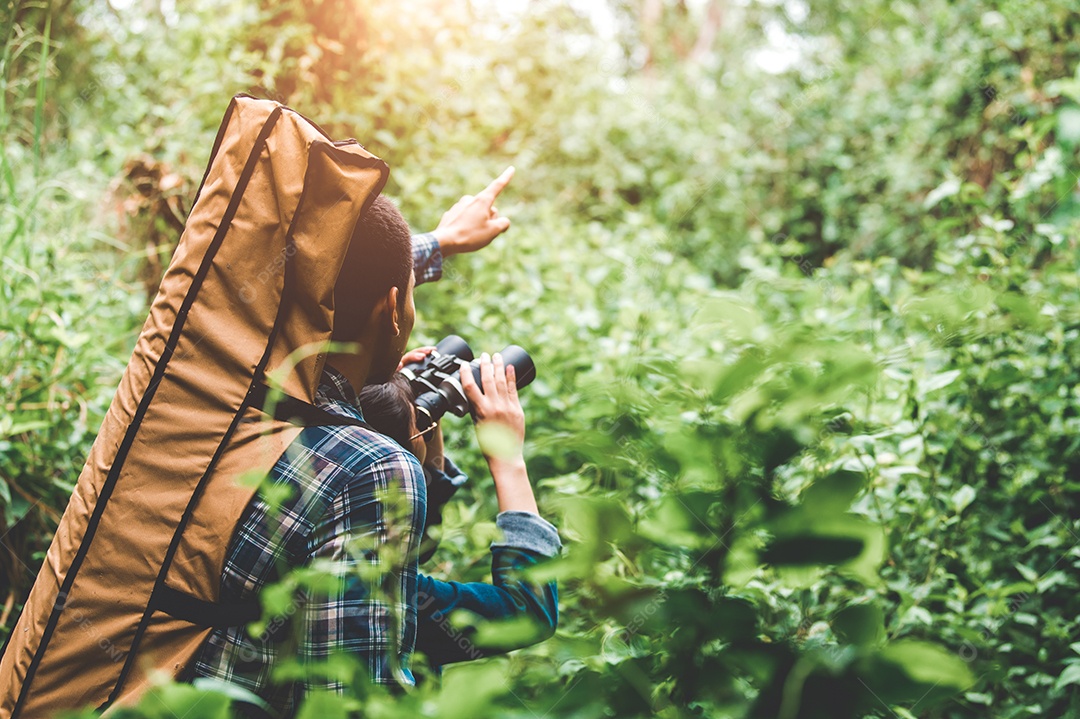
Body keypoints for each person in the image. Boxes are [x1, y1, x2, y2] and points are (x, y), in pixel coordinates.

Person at [189, 169, 556, 714]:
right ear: (392, 308)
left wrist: (438, 244)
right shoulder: (371, 471)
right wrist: (503, 455)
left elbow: (309, 282)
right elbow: (356, 703)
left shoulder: (212, 384)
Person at [357, 354, 560, 675]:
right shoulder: (389, 597)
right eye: (418, 430)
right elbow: (529, 612)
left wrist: (412, 409)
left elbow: (413, 537)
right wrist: (508, 460)